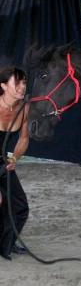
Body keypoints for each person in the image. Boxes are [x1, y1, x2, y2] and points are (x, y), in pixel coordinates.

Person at [0, 66, 29, 260]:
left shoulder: (24, 108)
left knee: (19, 206)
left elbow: (24, 139)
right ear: (3, 85)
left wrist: (14, 158)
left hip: (3, 161)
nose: (22, 87)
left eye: (24, 82)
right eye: (17, 82)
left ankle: (6, 244)